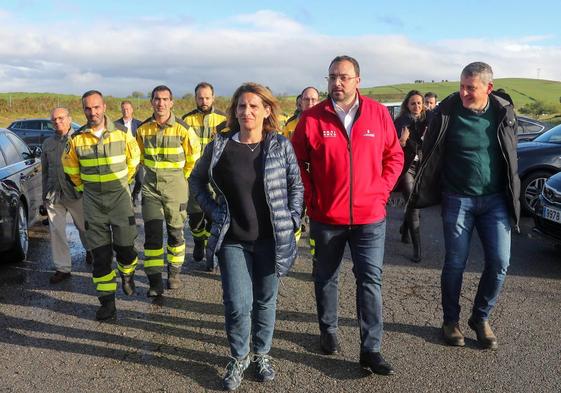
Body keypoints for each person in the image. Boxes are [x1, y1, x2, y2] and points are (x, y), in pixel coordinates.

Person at [291, 55, 403, 375]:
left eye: (343, 77)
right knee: (326, 276)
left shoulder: (379, 114)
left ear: (358, 80)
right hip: (327, 217)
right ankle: (328, 329)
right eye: (331, 77)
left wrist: (380, 192)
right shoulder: (312, 118)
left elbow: (394, 156)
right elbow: (296, 162)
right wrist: (312, 198)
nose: (336, 83)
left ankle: (371, 349)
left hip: (370, 217)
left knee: (370, 280)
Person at [189, 82, 303, 391]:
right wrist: (215, 212)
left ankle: (262, 355)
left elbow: (297, 186)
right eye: (242, 106)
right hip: (233, 240)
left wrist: (293, 217)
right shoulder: (221, 145)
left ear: (267, 110)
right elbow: (197, 179)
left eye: (254, 106)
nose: (247, 111)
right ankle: (239, 357)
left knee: (265, 301)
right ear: (234, 111)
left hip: (271, 239)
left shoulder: (280, 145)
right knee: (238, 304)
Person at [409, 62, 520, 350]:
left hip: (495, 199)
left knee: (499, 263)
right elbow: (430, 153)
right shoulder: (446, 111)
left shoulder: (503, 112)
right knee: (455, 263)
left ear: (488, 88)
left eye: (471, 88)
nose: (464, 93)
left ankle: (480, 317)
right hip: (457, 199)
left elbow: (511, 154)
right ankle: (450, 321)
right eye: (461, 86)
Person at [62, 90, 140, 320]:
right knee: (101, 257)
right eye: (88, 108)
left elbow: (134, 160)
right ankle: (107, 302)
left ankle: (127, 272)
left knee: (126, 248)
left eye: (96, 107)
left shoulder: (123, 135)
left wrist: (122, 183)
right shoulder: (76, 139)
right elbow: (71, 170)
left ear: (104, 107)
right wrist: (85, 190)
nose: (92, 112)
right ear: (83, 110)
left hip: (120, 201)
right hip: (93, 204)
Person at [136, 85, 200, 296]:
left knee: (175, 233)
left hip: (176, 187)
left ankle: (174, 274)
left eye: (165, 99)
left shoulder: (183, 129)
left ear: (171, 103)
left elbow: (193, 158)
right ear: (151, 102)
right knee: (152, 235)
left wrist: (181, 178)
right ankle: (155, 281)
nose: (160, 103)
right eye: (157, 99)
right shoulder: (142, 129)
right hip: (151, 189)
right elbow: (140, 157)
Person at [42, 107, 91, 284]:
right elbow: (45, 172)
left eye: (61, 118)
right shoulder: (47, 143)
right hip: (54, 194)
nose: (57, 122)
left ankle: (91, 250)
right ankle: (63, 268)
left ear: (69, 119)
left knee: (84, 227)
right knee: (57, 232)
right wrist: (43, 195)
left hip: (76, 193)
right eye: (54, 119)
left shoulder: (79, 139)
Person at [182, 82, 227, 269]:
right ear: (195, 98)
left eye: (207, 97)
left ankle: (211, 250)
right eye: (200, 97)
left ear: (213, 97)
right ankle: (199, 240)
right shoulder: (186, 120)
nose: (204, 101)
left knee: (215, 215)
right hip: (195, 175)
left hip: (218, 175)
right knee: (195, 215)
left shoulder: (224, 119)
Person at [394, 90, 428, 262]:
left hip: (421, 167)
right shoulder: (400, 122)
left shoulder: (426, 121)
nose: (416, 106)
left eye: (419, 103)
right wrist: (401, 142)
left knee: (414, 201)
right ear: (407, 105)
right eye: (413, 103)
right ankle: (417, 250)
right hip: (406, 167)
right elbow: (390, 148)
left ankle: (405, 229)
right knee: (414, 205)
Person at [115, 101, 143, 205]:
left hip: (138, 158)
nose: (125, 111)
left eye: (127, 109)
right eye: (123, 109)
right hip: (123, 158)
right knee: (126, 180)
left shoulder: (140, 124)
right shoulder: (115, 125)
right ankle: (126, 199)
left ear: (132, 110)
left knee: (140, 180)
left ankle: (134, 196)